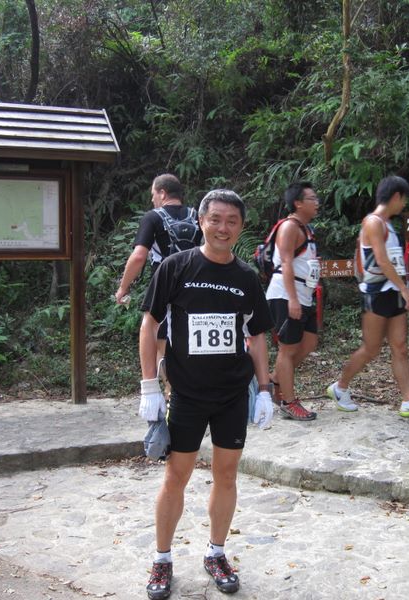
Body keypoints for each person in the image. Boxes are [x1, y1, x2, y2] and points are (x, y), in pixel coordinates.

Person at [138, 189, 274, 599]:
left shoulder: (246, 277)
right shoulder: (176, 267)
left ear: (241, 228)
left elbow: (257, 335)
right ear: (201, 221)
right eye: (215, 219)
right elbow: (149, 324)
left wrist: (264, 390)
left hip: (232, 393)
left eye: (232, 221)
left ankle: (216, 553)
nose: (223, 228)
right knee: (176, 475)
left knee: (226, 475)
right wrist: (149, 386)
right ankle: (162, 558)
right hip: (187, 393)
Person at [326, 176, 409, 417]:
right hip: (377, 294)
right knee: (371, 349)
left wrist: (400, 288)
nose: (405, 204)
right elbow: (381, 260)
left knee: (400, 347)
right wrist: (405, 289)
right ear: (396, 196)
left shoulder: (387, 224)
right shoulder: (373, 223)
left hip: (392, 291)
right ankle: (340, 387)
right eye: (404, 199)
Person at [115, 174, 202, 364]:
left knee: (159, 334)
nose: (152, 199)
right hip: (196, 281)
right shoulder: (197, 216)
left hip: (164, 283)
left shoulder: (153, 217)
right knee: (192, 332)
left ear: (162, 193)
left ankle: (166, 382)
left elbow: (139, 256)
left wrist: (123, 287)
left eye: (153, 194)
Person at [266, 182, 331, 418]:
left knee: (310, 342)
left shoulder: (306, 229)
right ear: (298, 203)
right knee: (288, 349)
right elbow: (285, 262)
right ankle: (288, 401)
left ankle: (275, 379)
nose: (317, 203)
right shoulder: (289, 227)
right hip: (286, 294)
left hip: (304, 294)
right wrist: (292, 300)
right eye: (312, 198)